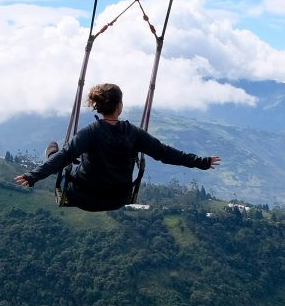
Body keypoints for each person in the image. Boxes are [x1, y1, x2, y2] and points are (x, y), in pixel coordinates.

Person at [15, 82, 219, 211]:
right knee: (69, 157)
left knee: (60, 155)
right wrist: (201, 162)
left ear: (98, 107)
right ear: (119, 106)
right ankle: (60, 155)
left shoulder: (89, 132)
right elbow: (164, 153)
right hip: (117, 198)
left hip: (83, 197)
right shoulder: (134, 133)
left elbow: (62, 159)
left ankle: (52, 151)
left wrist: (32, 177)